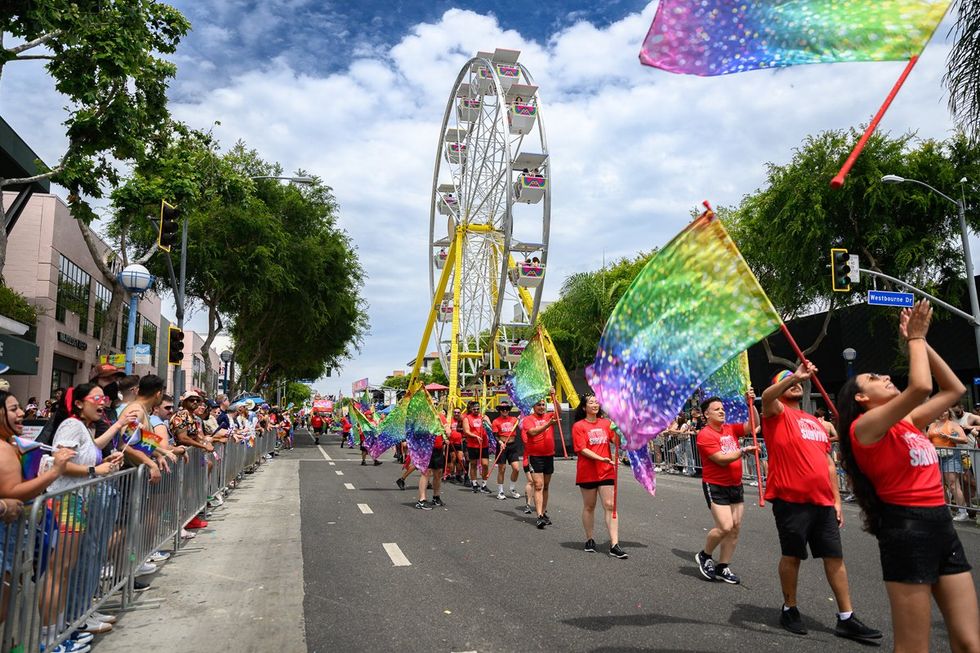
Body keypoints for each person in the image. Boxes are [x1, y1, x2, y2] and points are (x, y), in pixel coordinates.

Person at [837, 300, 979, 653]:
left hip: (942, 525)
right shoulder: (863, 428)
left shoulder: (907, 422)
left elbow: (954, 390)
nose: (886, 377)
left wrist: (922, 343)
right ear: (861, 397)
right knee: (914, 647)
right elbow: (920, 387)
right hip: (907, 531)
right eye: (875, 378)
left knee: (969, 641)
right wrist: (914, 338)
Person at [761, 365, 882, 642]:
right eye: (786, 380)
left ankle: (846, 617)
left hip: (823, 502)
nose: (794, 383)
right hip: (790, 500)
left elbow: (828, 464)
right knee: (792, 556)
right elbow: (767, 397)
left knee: (834, 557)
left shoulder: (815, 422)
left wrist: (836, 500)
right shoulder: (776, 413)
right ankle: (789, 608)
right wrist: (795, 376)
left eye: (795, 381)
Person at [694, 393, 758, 584]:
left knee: (735, 527)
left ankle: (723, 566)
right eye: (717, 409)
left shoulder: (730, 428)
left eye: (722, 409)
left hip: (735, 485)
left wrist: (751, 403)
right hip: (715, 486)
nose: (722, 411)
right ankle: (705, 555)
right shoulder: (704, 435)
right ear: (706, 414)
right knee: (725, 526)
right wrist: (742, 451)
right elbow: (721, 459)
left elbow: (753, 424)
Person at [572, 395, 627, 559]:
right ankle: (589, 539)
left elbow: (618, 442)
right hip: (587, 472)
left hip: (606, 470)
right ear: (584, 407)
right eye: (591, 402)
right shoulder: (578, 426)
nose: (595, 404)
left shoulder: (606, 423)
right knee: (589, 506)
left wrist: (619, 431)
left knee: (610, 505)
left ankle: (614, 544)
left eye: (597, 402)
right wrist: (600, 458)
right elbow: (582, 449)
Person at [926, 409, 971, 521]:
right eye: (940, 411)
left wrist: (949, 437)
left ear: (949, 413)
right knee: (939, 485)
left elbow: (964, 440)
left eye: (945, 411)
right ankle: (946, 510)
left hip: (950, 456)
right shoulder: (932, 425)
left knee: (953, 485)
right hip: (935, 457)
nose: (942, 413)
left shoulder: (953, 425)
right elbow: (927, 439)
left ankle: (963, 512)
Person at [522, 398, 558, 528]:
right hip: (535, 456)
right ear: (534, 406)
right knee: (538, 485)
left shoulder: (549, 415)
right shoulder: (528, 419)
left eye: (543, 405)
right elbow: (532, 432)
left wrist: (554, 398)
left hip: (549, 455)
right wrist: (548, 425)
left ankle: (543, 512)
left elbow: (558, 411)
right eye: (539, 405)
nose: (541, 407)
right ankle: (539, 516)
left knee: (546, 486)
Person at [416, 413, 449, 510]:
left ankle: (436, 497)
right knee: (426, 473)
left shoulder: (440, 416)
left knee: (438, 473)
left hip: (438, 448)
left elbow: (447, 428)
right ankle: (422, 500)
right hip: (426, 448)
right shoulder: (422, 416)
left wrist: (447, 431)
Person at [491, 400, 521, 499]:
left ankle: (512, 489)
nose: (505, 410)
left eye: (507, 409)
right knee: (502, 469)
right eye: (502, 409)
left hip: (512, 446)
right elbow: (495, 435)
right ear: (499, 410)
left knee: (516, 469)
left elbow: (523, 425)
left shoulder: (514, 419)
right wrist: (500, 442)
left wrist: (522, 418)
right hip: (502, 446)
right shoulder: (496, 421)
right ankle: (500, 492)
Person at [462, 401, 491, 494]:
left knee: (485, 464)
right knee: (473, 464)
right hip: (472, 445)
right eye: (474, 409)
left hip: (483, 444)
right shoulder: (467, 418)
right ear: (471, 409)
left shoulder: (483, 417)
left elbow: (491, 428)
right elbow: (466, 431)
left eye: (478, 409)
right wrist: (476, 436)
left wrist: (486, 422)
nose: (476, 410)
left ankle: (484, 485)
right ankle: (474, 484)